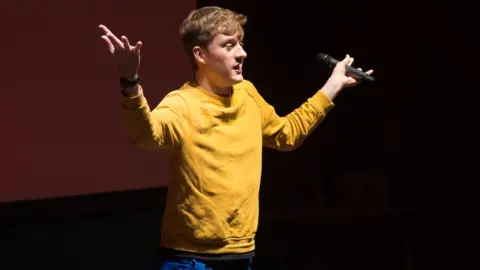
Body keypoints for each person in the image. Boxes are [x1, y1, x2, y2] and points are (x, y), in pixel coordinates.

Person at [98, 5, 373, 270]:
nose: (242, 53)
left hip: (242, 256)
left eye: (240, 44)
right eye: (229, 45)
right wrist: (131, 82)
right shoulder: (182, 104)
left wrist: (333, 84)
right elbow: (145, 135)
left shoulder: (247, 94)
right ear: (201, 55)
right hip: (190, 259)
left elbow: (287, 135)